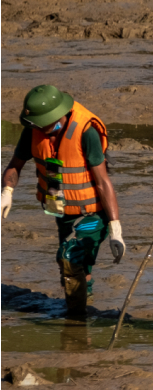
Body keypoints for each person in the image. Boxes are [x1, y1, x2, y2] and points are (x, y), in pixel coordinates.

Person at [1, 84, 125, 319]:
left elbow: (102, 181)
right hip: (62, 211)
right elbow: (14, 166)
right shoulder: (33, 130)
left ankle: (76, 321)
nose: (40, 129)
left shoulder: (86, 131)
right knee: (75, 269)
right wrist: (7, 191)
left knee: (69, 258)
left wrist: (115, 228)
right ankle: (81, 313)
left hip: (93, 214)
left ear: (59, 115)